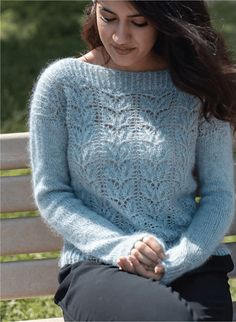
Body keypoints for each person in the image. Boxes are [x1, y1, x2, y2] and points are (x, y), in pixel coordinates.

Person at [28, 0, 236, 320]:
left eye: (138, 23)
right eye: (108, 18)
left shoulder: (197, 84)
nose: (120, 36)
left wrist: (176, 260)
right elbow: (52, 193)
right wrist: (120, 248)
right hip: (97, 263)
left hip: (190, 262)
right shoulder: (62, 84)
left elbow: (219, 193)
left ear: (164, 21)